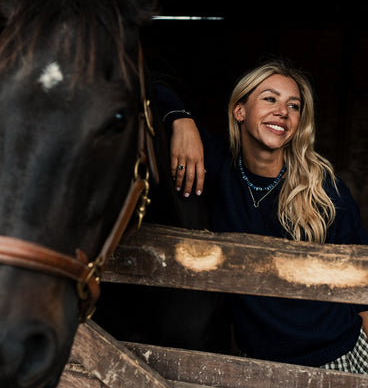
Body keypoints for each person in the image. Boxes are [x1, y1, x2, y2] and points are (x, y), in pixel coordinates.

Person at [154, 60, 368, 372]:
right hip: (256, 369)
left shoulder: (323, 189)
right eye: (270, 99)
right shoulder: (215, 166)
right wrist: (180, 120)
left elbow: (363, 287)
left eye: (293, 106)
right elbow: (146, 90)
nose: (283, 111)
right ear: (239, 111)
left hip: (337, 358)